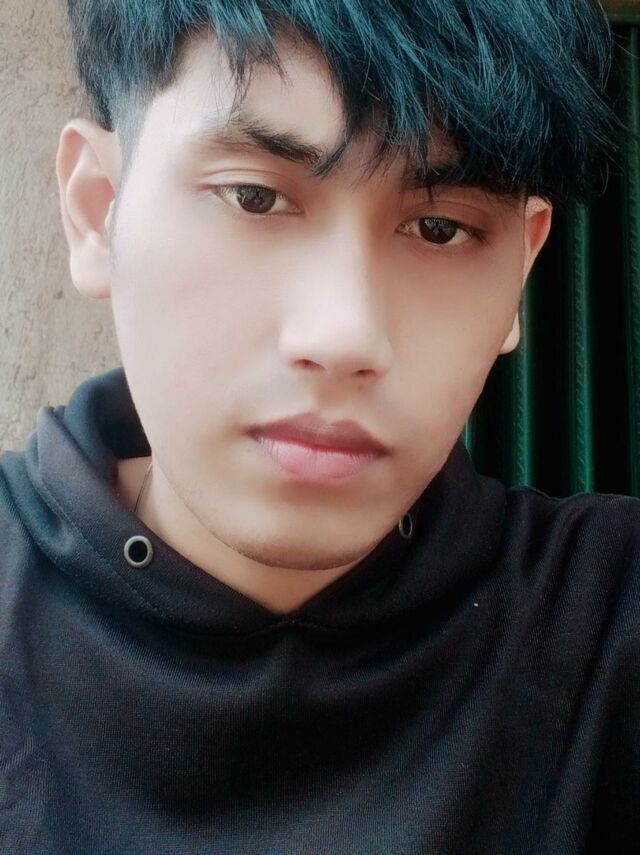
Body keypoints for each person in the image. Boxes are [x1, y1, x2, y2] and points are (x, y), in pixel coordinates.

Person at [0, 0, 635, 852]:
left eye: (439, 227)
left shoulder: (606, 630)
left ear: (521, 266)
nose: (343, 336)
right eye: (254, 196)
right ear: (97, 208)